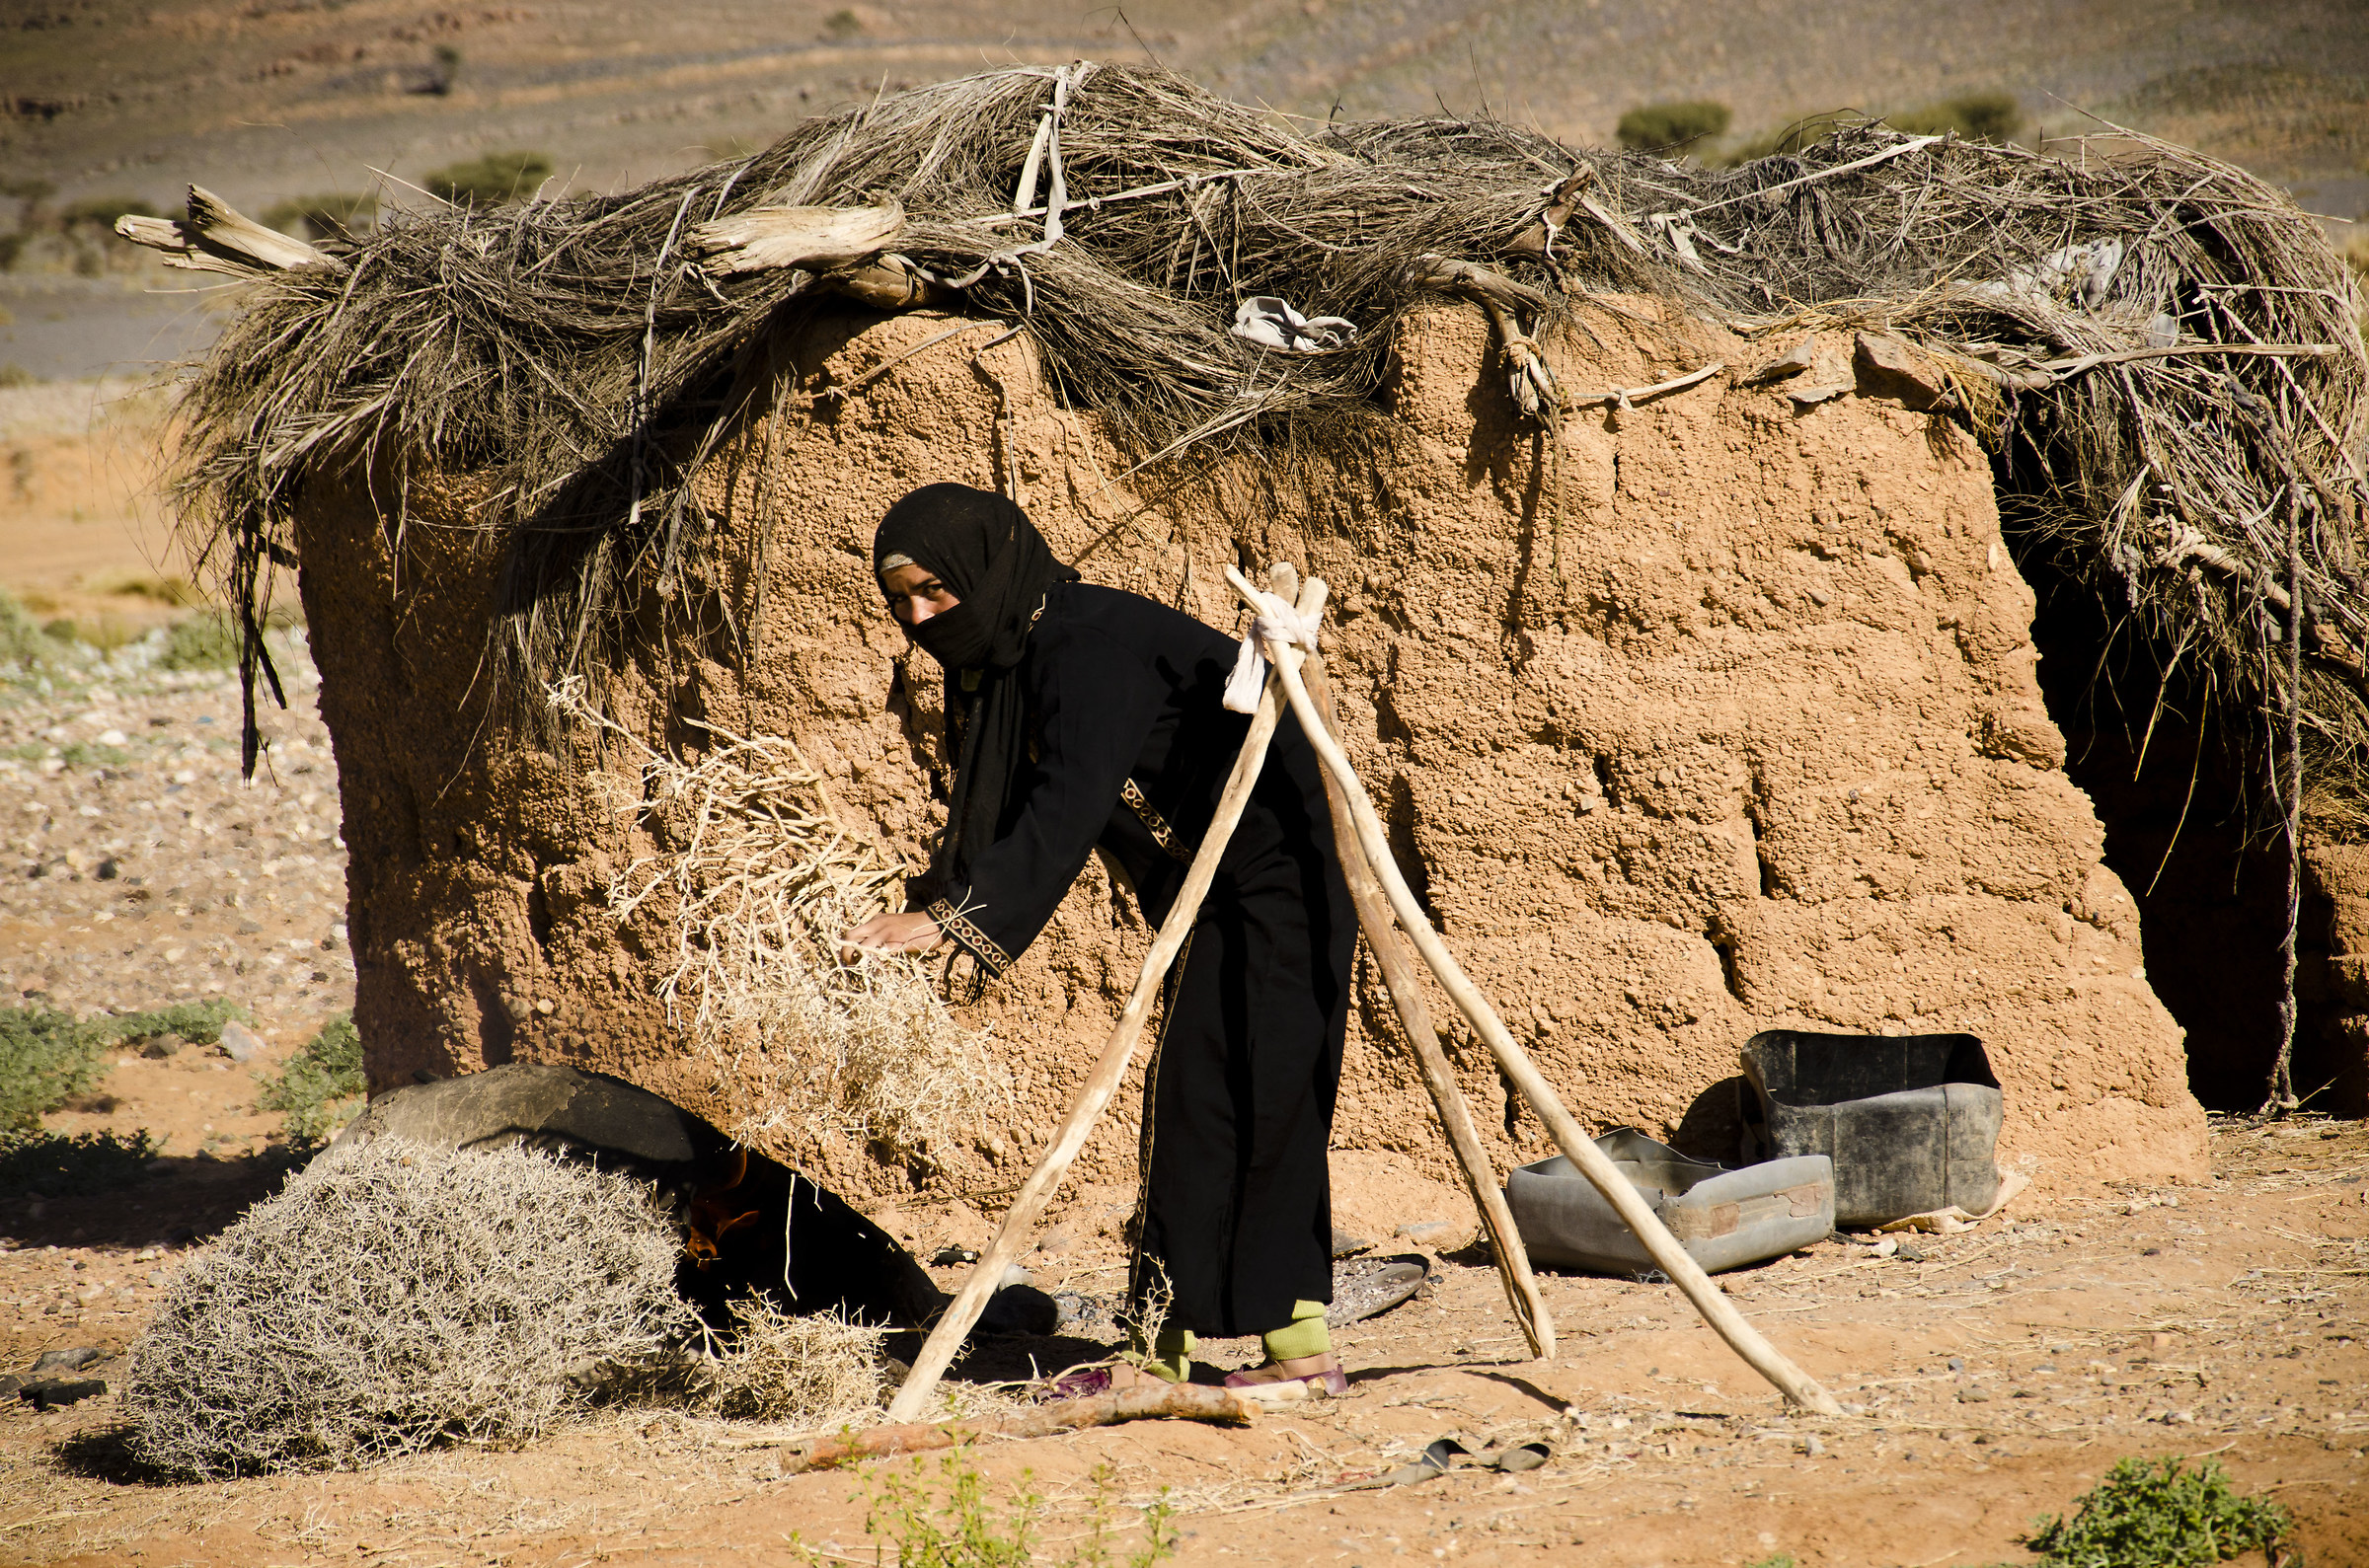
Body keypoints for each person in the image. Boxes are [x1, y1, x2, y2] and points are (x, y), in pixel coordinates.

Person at [842, 483, 1356, 1393]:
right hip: (1215, 887)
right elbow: (1004, 818)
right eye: (902, 601)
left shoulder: (1083, 646)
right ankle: (1169, 1348)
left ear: (985, 571)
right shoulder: (1009, 661)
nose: (920, 618)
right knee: (1203, 1098)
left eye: (936, 591)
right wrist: (938, 899)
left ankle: (1281, 1353)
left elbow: (1068, 803)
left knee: (1252, 1093)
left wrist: (958, 917)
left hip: (1281, 880)